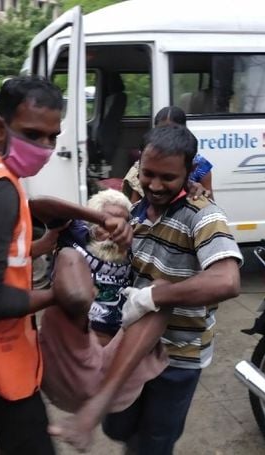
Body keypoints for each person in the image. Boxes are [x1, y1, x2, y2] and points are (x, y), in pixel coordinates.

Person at [0, 76, 132, 455]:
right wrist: (59, 294)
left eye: (52, 136)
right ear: (1, 127)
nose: (45, 147)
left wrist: (93, 219)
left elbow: (34, 210)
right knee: (30, 440)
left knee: (12, 441)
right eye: (33, 134)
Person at [101, 124, 242, 454]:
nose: (155, 185)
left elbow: (227, 280)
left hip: (179, 355)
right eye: (148, 174)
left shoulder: (202, 216)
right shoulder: (136, 211)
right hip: (134, 345)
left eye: (168, 177)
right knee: (117, 425)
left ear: (190, 172)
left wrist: (154, 296)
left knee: (155, 442)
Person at [37, 190, 170, 451]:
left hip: (114, 358)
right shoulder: (73, 233)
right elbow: (38, 205)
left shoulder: (134, 246)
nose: (111, 231)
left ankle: (98, 408)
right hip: (71, 350)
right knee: (69, 258)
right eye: (106, 224)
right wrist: (98, 217)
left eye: (121, 223)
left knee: (162, 291)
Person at [123, 106, 214, 203]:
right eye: (163, 130)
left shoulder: (201, 166)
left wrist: (201, 196)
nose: (155, 186)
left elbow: (209, 199)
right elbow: (133, 207)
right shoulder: (142, 165)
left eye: (168, 177)